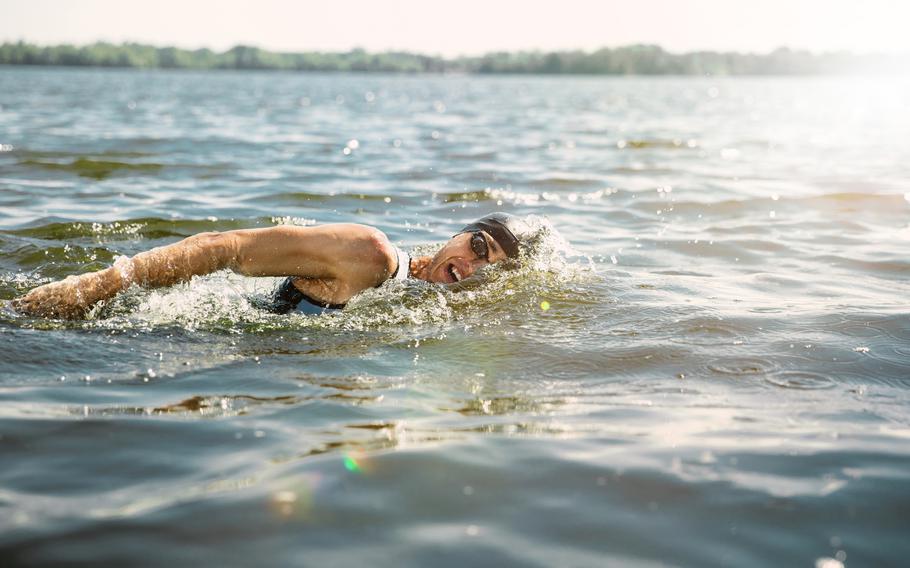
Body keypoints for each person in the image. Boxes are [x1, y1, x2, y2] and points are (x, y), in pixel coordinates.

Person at [12, 212, 533, 319]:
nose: (474, 266)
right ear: (458, 234)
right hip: (169, 347)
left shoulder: (438, 307)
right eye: (479, 246)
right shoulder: (371, 254)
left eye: (492, 267)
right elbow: (228, 245)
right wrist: (92, 289)